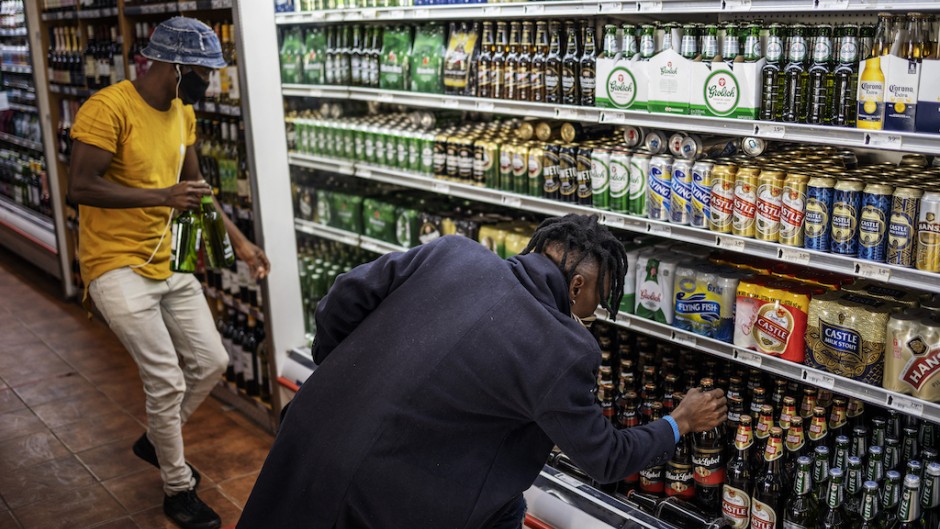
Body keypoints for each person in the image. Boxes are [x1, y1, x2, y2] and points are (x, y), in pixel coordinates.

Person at [237, 214, 726, 529]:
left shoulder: (451, 251)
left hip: (307, 437)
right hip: (384, 497)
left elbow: (341, 297)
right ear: (576, 284)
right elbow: (604, 457)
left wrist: (345, 369)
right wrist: (679, 421)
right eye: (598, 300)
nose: (593, 312)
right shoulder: (562, 347)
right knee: (504, 506)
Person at [68, 17, 269, 529]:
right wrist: (161, 197)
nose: (208, 80)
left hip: (166, 257)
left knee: (212, 360)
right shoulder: (108, 108)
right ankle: (178, 489)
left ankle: (157, 439)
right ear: (175, 66)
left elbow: (195, 190)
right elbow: (80, 186)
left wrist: (240, 243)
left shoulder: (182, 114)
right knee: (165, 378)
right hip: (114, 263)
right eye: (203, 71)